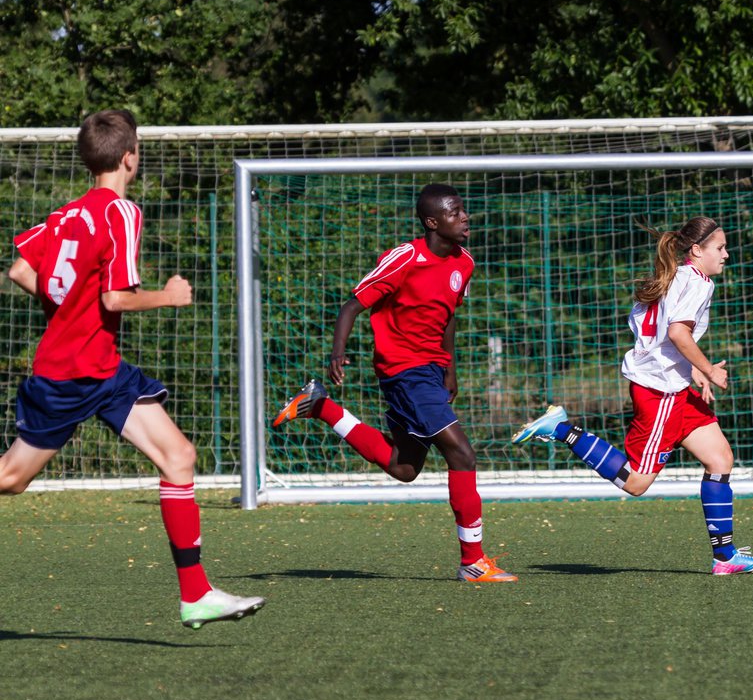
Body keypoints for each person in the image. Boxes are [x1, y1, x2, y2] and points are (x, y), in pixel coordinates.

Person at [1, 109, 265, 629]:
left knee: (178, 456)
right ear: (130, 157)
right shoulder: (121, 212)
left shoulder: (63, 216)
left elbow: (20, 269)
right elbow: (115, 297)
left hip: (102, 369)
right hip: (70, 374)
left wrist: (68, 306)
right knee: (10, 480)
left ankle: (196, 595)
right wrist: (167, 297)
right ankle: (196, 593)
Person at [272, 184, 516, 583]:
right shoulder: (405, 257)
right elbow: (353, 304)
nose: (465, 217)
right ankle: (473, 561)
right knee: (463, 455)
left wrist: (449, 368)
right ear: (432, 222)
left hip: (431, 373)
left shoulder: (465, 262)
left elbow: (450, 315)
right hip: (404, 371)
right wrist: (338, 352)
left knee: (404, 468)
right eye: (455, 213)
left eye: (464, 211)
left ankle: (321, 407)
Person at [512, 216, 753, 575]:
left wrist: (692, 370)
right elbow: (679, 334)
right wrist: (709, 368)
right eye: (720, 248)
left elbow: (658, 335)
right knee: (636, 482)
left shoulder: (675, 276)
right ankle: (562, 429)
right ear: (697, 251)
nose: (726, 254)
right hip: (661, 394)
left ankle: (726, 558)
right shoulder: (697, 284)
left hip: (673, 388)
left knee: (720, 460)